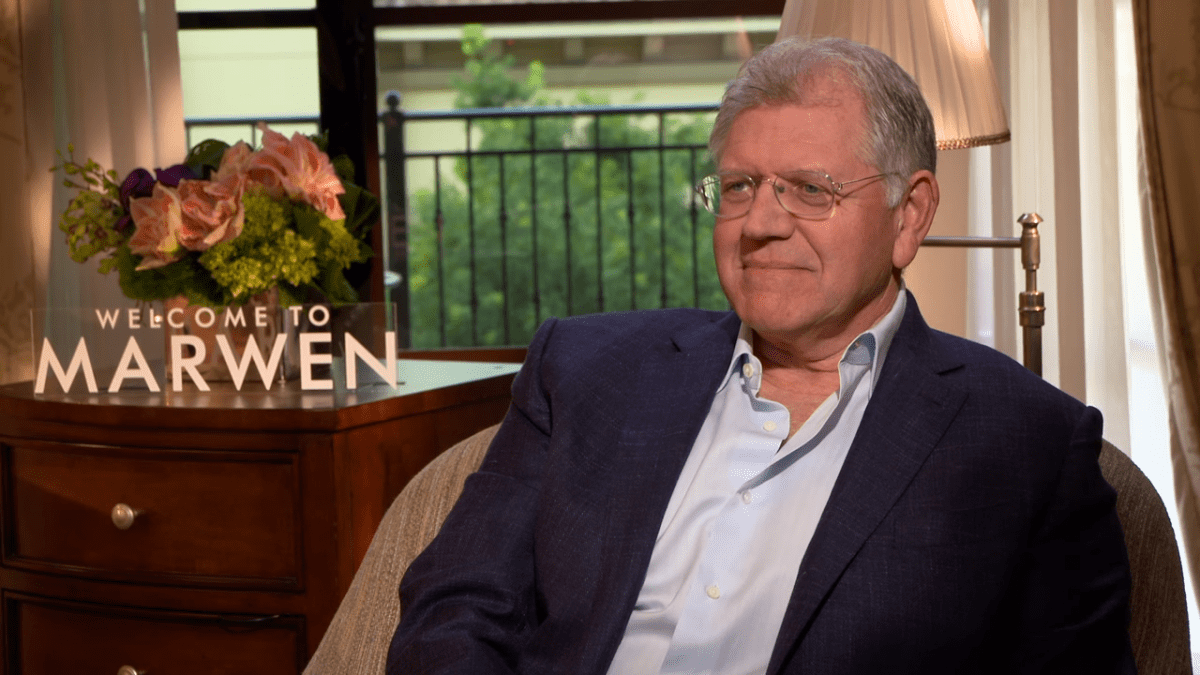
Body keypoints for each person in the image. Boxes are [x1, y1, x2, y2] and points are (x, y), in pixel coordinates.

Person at [387, 36, 1134, 674]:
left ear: (909, 215)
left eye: (810, 189)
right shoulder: (582, 370)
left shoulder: (1026, 443)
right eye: (740, 186)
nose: (760, 223)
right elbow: (455, 610)